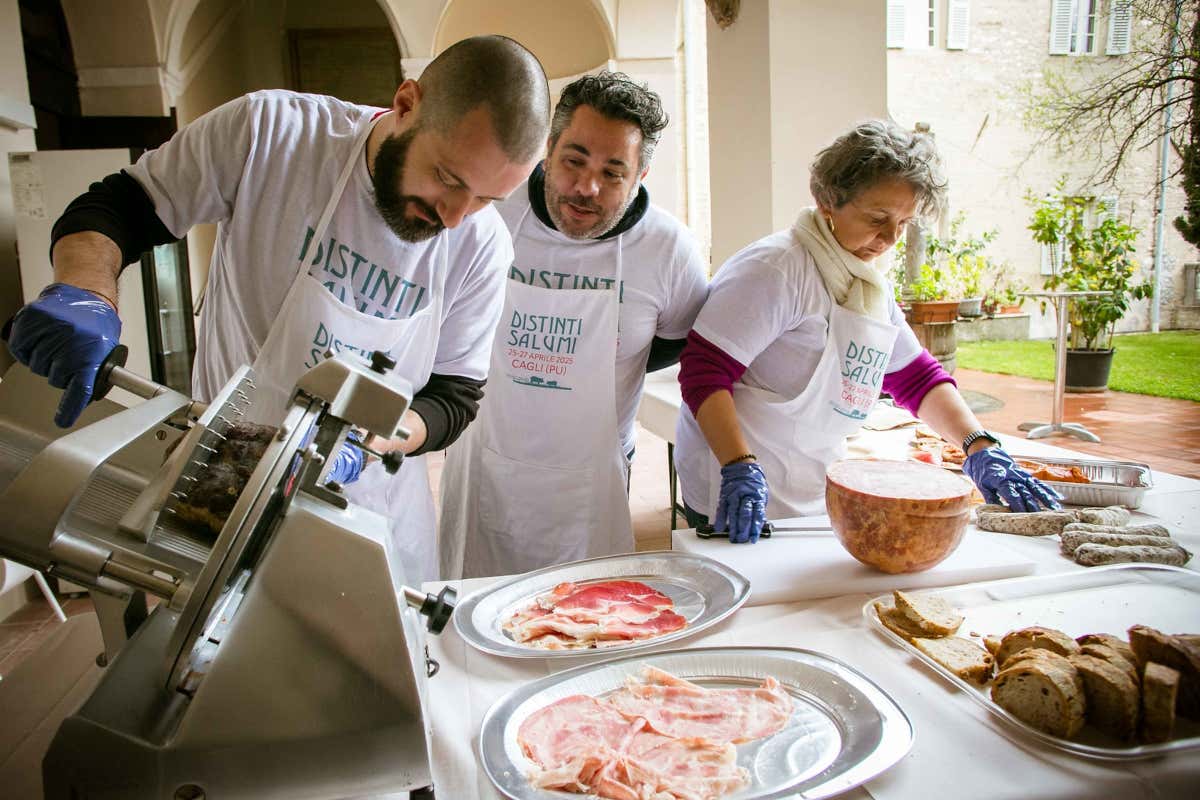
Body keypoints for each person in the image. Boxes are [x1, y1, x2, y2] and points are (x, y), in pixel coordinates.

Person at [4, 35, 551, 584]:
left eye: (486, 199)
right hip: (221, 493)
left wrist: (364, 444)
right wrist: (86, 291)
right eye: (448, 179)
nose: (455, 216)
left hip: (372, 517)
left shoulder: (482, 246)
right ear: (406, 104)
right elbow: (121, 206)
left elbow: (452, 397)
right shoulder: (272, 134)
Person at [673, 120, 1061, 543]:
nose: (891, 237)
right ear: (828, 202)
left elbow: (915, 377)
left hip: (813, 480)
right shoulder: (776, 270)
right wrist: (739, 466)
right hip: (735, 482)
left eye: (904, 222)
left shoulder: (866, 284)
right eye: (878, 218)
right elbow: (703, 371)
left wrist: (979, 446)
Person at [438, 72, 709, 578]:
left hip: (591, 477)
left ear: (640, 175)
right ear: (548, 150)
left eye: (613, 172)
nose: (587, 188)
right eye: (574, 161)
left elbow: (671, 344)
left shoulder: (669, 250)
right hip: (484, 462)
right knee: (475, 597)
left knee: (587, 608)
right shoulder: (490, 213)